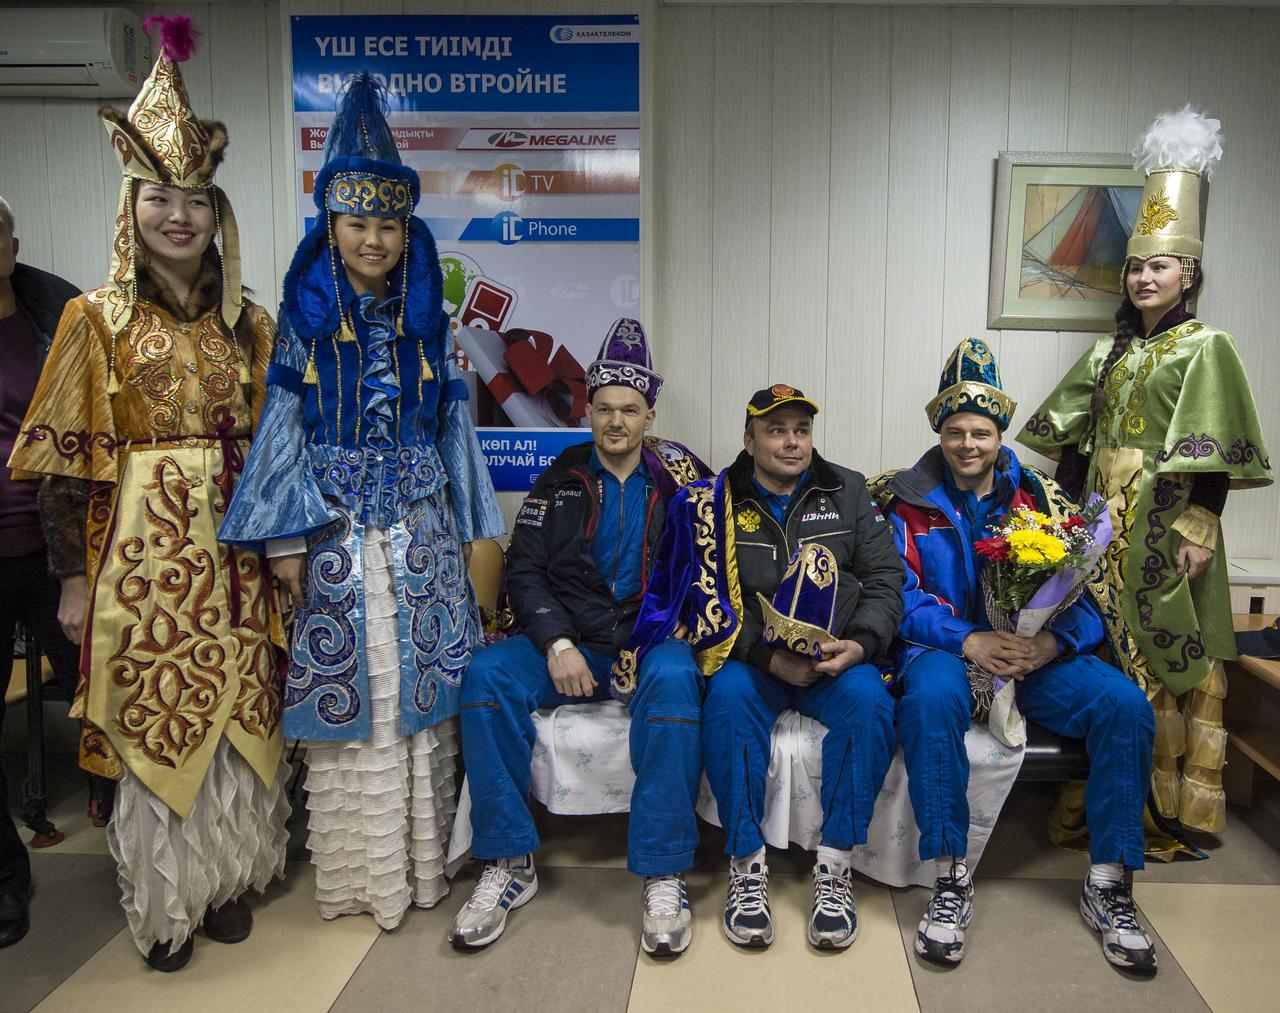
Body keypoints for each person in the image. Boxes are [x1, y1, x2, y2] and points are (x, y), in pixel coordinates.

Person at [7, 16, 289, 971]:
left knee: (239, 718)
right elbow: (60, 458)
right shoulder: (92, 319)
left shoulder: (250, 323)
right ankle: (166, 906)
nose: (181, 217)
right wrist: (72, 582)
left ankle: (224, 883)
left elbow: (281, 445)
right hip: (138, 560)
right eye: (161, 198)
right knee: (158, 720)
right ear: (134, 207)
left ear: (219, 214)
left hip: (239, 551)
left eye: (197, 200)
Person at [219, 73, 503, 931]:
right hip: (335, 529)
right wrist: (286, 540)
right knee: (366, 690)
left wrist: (468, 530)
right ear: (331, 228)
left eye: (387, 223)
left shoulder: (430, 321)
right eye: (357, 222)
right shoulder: (302, 323)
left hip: (420, 525)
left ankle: (426, 868)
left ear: (404, 228)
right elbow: (282, 428)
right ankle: (365, 874)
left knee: (426, 691)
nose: (373, 238)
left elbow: (454, 424)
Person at [1020, 108, 1273, 836]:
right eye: (1135, 266)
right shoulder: (1111, 353)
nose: (1142, 277)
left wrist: (1203, 523)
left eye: (1158, 265)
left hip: (1167, 524)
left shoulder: (1206, 348)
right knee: (1096, 639)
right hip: (1102, 523)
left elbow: (1216, 447)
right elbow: (1070, 440)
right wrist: (1061, 520)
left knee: (1162, 651)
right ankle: (1096, 799)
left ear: (1188, 273)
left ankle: (1165, 810)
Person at [877, 338, 1158, 972]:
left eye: (981, 431)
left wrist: (1050, 643)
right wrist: (968, 638)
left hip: (1031, 656)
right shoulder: (903, 501)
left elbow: (1084, 594)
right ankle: (950, 875)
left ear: (999, 433)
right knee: (927, 701)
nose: (968, 444)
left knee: (1124, 706)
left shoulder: (1041, 498)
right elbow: (896, 594)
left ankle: (1109, 882)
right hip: (947, 651)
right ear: (939, 433)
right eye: (956, 432)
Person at [448, 319, 709, 955]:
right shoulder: (559, 476)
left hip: (648, 642)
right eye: (604, 408)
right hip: (574, 636)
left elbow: (715, 558)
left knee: (677, 679)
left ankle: (663, 869)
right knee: (485, 679)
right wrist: (557, 643)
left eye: (630, 410)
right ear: (586, 409)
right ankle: (509, 862)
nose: (615, 421)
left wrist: (691, 612)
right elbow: (525, 569)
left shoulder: (684, 478)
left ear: (651, 414)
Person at [613, 384, 902, 952]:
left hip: (835, 658)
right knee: (724, 703)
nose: (791, 442)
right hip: (754, 659)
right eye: (776, 430)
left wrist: (861, 645)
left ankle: (836, 866)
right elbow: (700, 596)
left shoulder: (847, 490)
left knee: (870, 704)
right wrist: (766, 656)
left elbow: (886, 580)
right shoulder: (710, 504)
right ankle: (747, 865)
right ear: (749, 440)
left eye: (800, 430)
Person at [0, 192, 86, 947]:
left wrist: (76, 572)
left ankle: (137, 855)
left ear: (11, 242)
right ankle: (5, 877)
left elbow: (78, 453)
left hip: (56, 553)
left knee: (104, 710)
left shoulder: (60, 318)